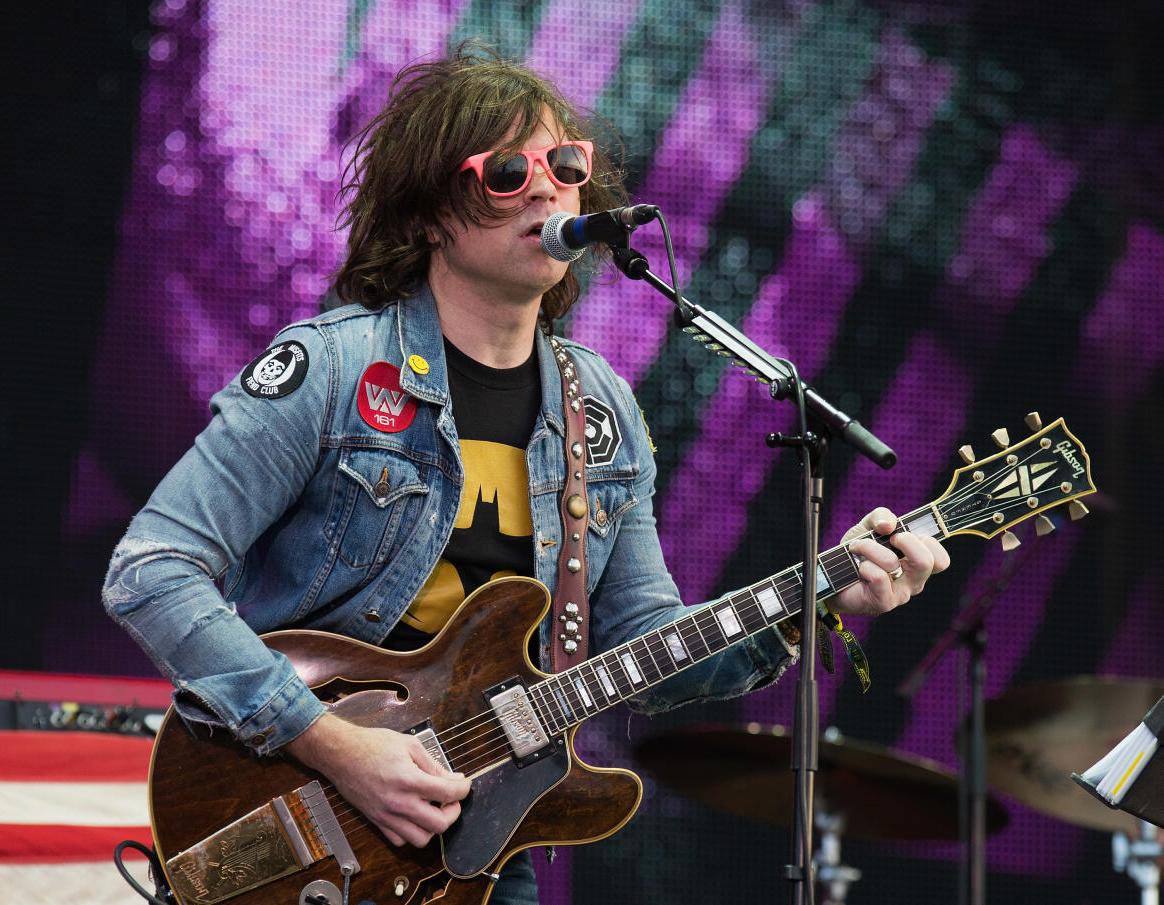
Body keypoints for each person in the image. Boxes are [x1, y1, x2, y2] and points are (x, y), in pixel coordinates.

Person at [103, 44, 949, 905]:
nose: (545, 188)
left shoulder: (602, 409)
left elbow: (649, 643)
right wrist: (331, 742)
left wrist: (818, 599)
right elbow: (151, 570)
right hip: (295, 800)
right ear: (432, 214)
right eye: (506, 171)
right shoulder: (333, 369)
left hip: (484, 847)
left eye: (564, 164)